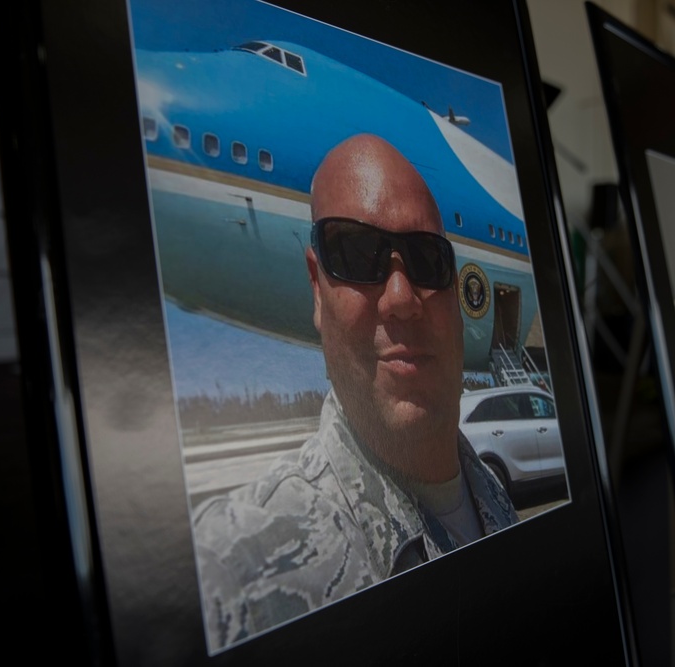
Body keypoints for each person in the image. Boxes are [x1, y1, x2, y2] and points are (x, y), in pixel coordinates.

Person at [192, 134, 518, 650]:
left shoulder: (494, 497)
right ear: (315, 288)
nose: (400, 298)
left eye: (427, 259)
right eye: (356, 253)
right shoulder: (233, 574)